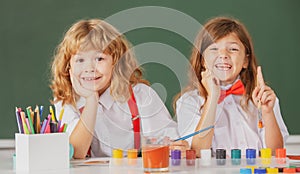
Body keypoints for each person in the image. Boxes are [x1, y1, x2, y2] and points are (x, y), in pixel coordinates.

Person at [50, 19, 187, 159]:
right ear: (69, 66)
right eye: (80, 60)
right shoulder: (66, 100)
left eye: (99, 59)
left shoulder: (140, 95)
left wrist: (174, 146)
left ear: (115, 62)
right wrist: (91, 101)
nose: (89, 68)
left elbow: (168, 139)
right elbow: (76, 153)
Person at [174, 16, 289, 157]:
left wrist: (267, 112)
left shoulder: (262, 99)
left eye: (233, 49)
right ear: (203, 60)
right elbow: (198, 151)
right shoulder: (189, 102)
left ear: (246, 60)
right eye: (214, 49)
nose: (223, 55)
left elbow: (275, 152)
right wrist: (213, 98)